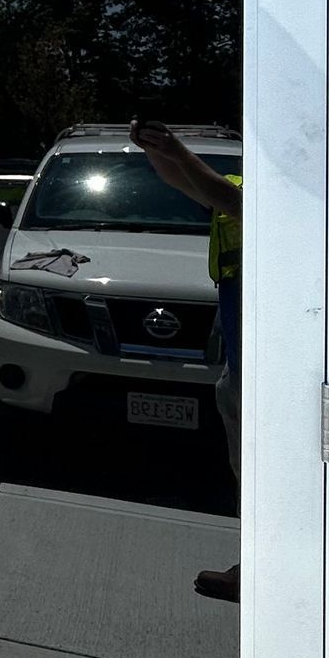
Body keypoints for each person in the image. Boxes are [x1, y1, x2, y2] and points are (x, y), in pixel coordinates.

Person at [129, 119, 241, 602]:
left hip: (268, 371)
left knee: (269, 478)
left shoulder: (279, 197)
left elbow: (226, 198)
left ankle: (269, 577)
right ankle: (253, 569)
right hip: (243, 365)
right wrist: (158, 152)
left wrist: (177, 149)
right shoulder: (241, 184)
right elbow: (188, 183)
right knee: (249, 474)